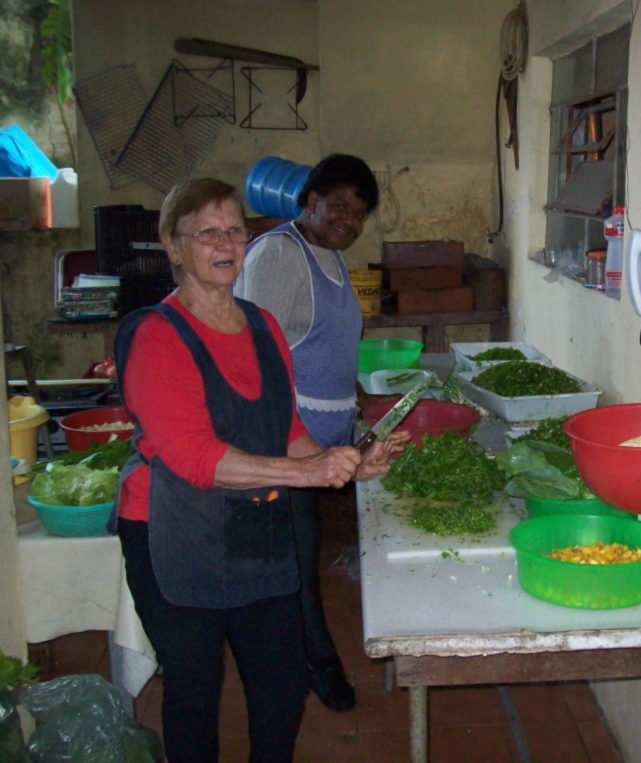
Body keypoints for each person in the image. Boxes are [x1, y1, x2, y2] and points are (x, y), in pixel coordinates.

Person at [111, 178, 405, 763]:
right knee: (194, 686)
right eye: (207, 233)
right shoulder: (156, 336)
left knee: (282, 682)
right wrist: (309, 474)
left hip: (255, 527)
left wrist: (349, 465)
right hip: (174, 534)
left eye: (235, 231)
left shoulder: (262, 325)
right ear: (173, 246)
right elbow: (194, 458)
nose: (225, 244)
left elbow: (286, 428)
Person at [234, 154, 380, 711]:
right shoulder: (279, 253)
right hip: (284, 444)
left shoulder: (331, 256)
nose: (350, 221)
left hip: (320, 446)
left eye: (359, 214)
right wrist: (285, 451)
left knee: (296, 556)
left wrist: (361, 403)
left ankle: (293, 660)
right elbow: (254, 358)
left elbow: (329, 347)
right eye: (340, 206)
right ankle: (318, 663)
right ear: (310, 199)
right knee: (296, 559)